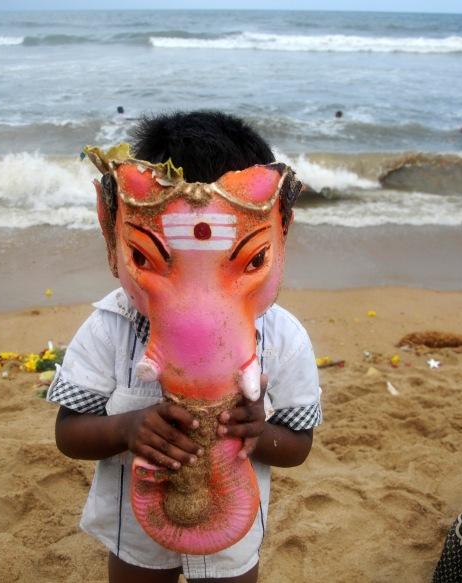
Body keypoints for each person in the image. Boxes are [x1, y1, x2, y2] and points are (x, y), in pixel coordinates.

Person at [47, 111, 322, 583]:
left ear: (283, 229)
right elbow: (69, 433)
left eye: (251, 258)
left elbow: (297, 445)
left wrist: (258, 434)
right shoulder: (111, 327)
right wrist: (127, 430)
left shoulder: (283, 336)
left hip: (234, 543)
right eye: (147, 257)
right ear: (110, 228)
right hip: (134, 539)